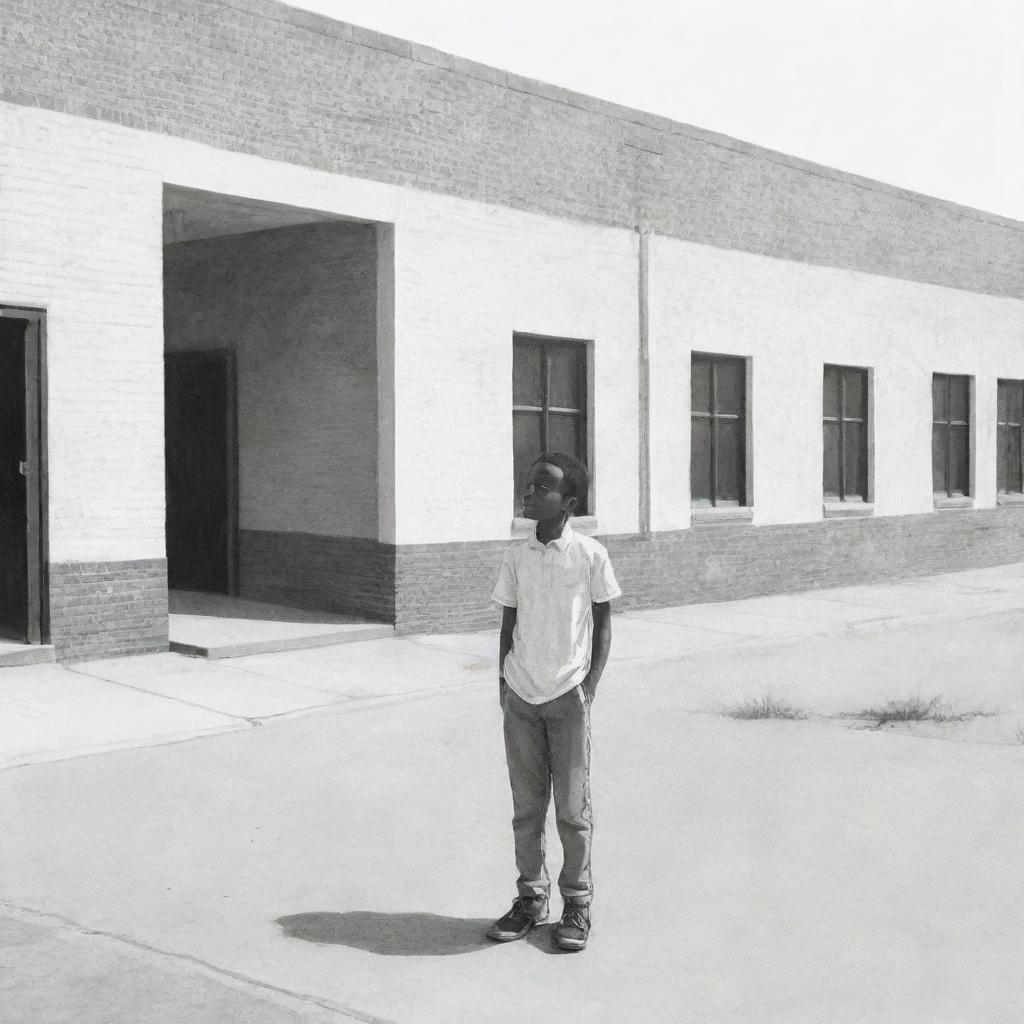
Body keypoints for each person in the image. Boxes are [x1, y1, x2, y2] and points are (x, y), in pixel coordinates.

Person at [487, 451, 621, 952]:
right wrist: (504, 683)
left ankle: (578, 903)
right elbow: (507, 622)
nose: (529, 492)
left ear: (567, 502)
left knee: (572, 810)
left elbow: (604, 622)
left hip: (568, 696)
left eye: (541, 487)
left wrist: (589, 686)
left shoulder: (590, 554)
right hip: (521, 695)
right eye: (528, 485)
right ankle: (530, 898)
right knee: (526, 808)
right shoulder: (516, 555)